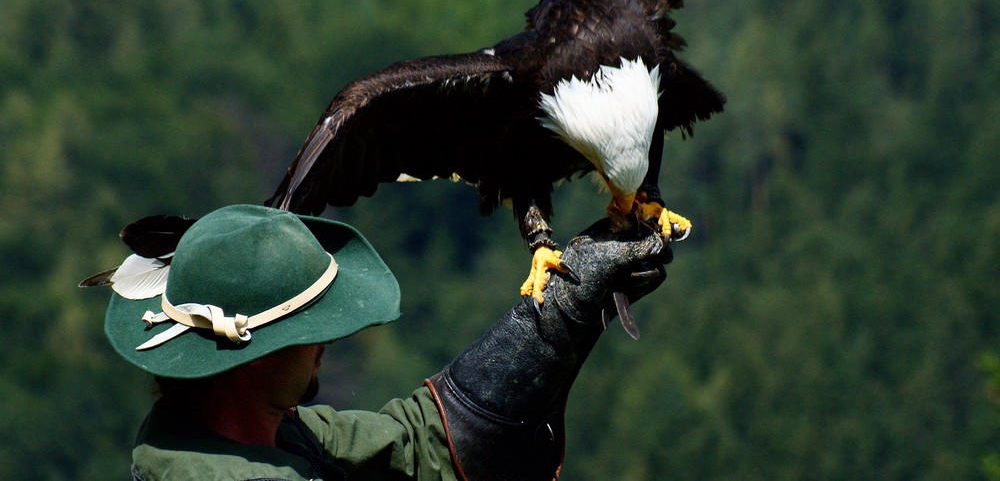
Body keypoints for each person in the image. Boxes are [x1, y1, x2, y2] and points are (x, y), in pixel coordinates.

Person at [95, 204, 673, 480]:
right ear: (253, 352)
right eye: (308, 329)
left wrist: (563, 311)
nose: (325, 343)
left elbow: (420, 446)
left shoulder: (243, 434)